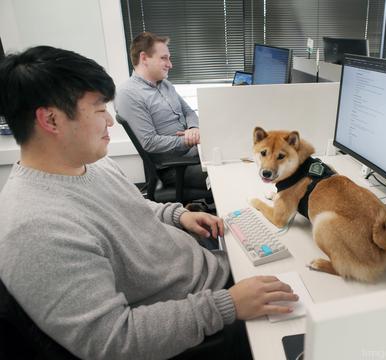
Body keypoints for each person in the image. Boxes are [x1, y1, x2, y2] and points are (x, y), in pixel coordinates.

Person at [0, 46, 297, 359]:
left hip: (208, 276)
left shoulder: (90, 163)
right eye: (100, 110)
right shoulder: (35, 230)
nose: (111, 122)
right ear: (51, 120)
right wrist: (227, 306)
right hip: (205, 319)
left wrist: (175, 215)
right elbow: (114, 340)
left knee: (297, 265)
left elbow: (131, 209)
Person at [115, 32, 206, 192]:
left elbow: (189, 112)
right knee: (228, 175)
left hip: (196, 153)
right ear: (144, 58)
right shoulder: (128, 94)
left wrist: (193, 130)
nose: (170, 64)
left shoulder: (166, 84)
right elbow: (149, 142)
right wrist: (187, 140)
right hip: (176, 168)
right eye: (164, 58)